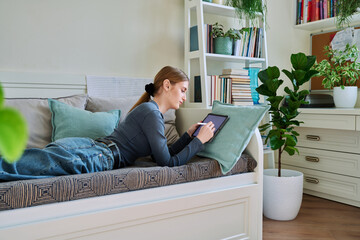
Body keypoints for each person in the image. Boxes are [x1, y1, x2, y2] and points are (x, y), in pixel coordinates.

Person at [0, 66, 215, 181]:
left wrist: (188, 136)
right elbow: (167, 162)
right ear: (167, 85)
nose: (185, 97)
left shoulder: (150, 111)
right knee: (26, 165)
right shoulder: (151, 113)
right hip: (97, 155)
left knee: (26, 162)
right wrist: (199, 143)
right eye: (183, 90)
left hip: (92, 148)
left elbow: (162, 154)